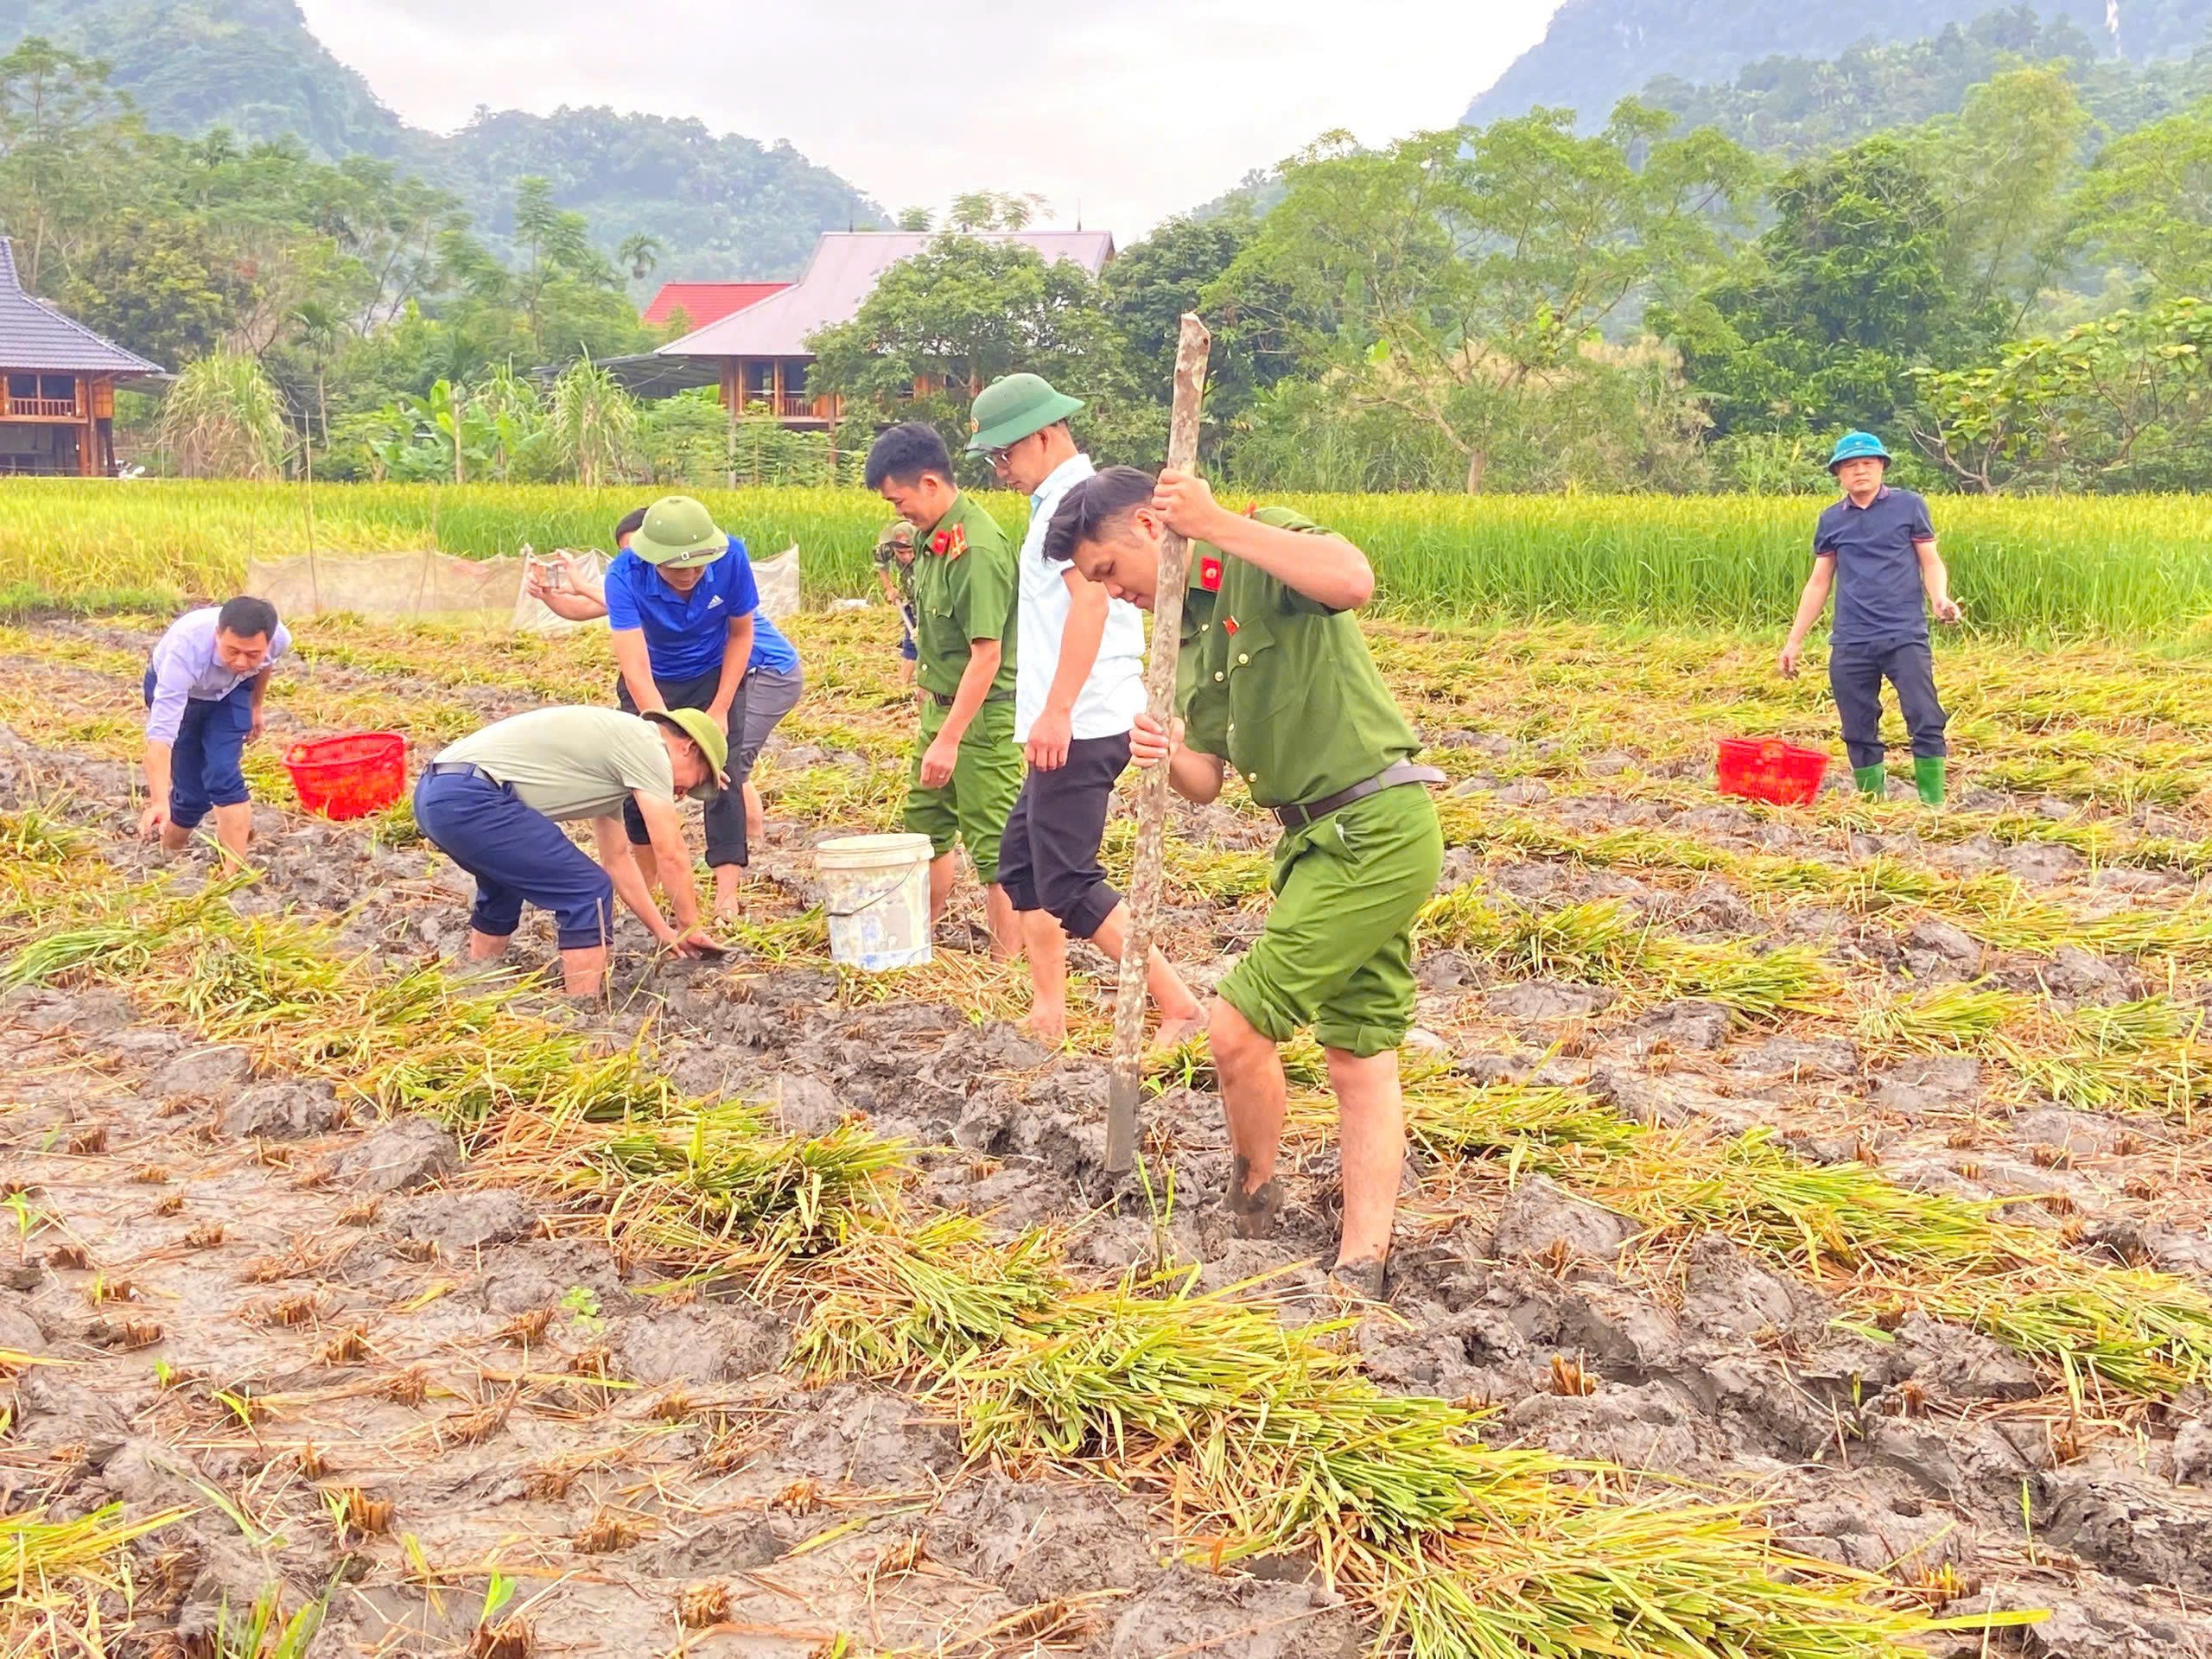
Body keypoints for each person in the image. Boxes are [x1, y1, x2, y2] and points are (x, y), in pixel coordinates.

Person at [1043, 466, 1445, 1301]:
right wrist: (1163, 753)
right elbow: (1209, 781)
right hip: (1312, 842)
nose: (1112, 596)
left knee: (1235, 1031)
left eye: (1110, 573)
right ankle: (1362, 1260)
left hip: (1373, 827)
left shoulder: (1261, 544)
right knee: (1358, 1052)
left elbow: (1353, 579)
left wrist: (1218, 522)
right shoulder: (1188, 635)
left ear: (1150, 530)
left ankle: (1254, 1202)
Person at [967, 372, 1202, 1050]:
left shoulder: (1076, 503)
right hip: (1072, 716)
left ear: (1043, 436)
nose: (1000, 471)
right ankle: (1049, 1009)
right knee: (1023, 865)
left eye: (1004, 455)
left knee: (1067, 879)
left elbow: (1093, 604)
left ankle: (1177, 1003)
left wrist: (1058, 710)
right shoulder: (1056, 499)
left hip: (1088, 718)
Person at [532, 504, 805, 882]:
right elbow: (633, 666)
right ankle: (651, 879)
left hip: (734, 672)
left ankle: (735, 876)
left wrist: (720, 708)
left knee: (724, 768)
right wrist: (663, 734)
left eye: (698, 565)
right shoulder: (627, 576)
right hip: (655, 680)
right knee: (638, 772)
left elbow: (741, 636)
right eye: (676, 566)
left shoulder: (730, 560)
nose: (690, 574)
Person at [411, 705, 728, 997]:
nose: (682, 793)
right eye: (693, 782)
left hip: (438, 793)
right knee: (586, 890)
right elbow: (670, 853)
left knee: (505, 885)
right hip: (468, 795)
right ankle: (583, 1013)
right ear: (688, 747)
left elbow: (616, 862)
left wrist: (662, 930)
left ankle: (475, 986)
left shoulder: (619, 757)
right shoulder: (649, 746)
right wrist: (689, 925)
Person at [865, 422, 1022, 956]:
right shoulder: (933, 541)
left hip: (980, 723)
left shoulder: (974, 548)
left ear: (930, 483)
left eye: (900, 499)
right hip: (940, 712)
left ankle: (1008, 965)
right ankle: (918, 944)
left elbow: (987, 655)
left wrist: (950, 738)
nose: (898, 512)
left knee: (996, 847)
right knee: (925, 831)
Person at [1780, 431, 1963, 806]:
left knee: (1925, 716)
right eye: (1850, 466)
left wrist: (1940, 599)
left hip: (1903, 635)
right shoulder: (1831, 519)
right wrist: (1794, 641)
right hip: (1851, 640)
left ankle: (1934, 805)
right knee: (1857, 727)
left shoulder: (1909, 506)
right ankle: (1872, 805)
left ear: (1881, 467)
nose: (1859, 471)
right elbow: (1819, 582)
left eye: (1867, 463)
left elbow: (1930, 561)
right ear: (1839, 475)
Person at [139, 596, 289, 862]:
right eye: (232, 651)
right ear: (217, 635)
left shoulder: (279, 639)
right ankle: (168, 857)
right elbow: (161, 739)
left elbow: (265, 665)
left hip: (230, 692)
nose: (242, 662)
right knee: (192, 796)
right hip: (184, 695)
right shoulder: (184, 653)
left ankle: (233, 878)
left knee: (223, 774)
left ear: (267, 642)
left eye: (252, 654)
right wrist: (159, 803)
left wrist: (256, 707)